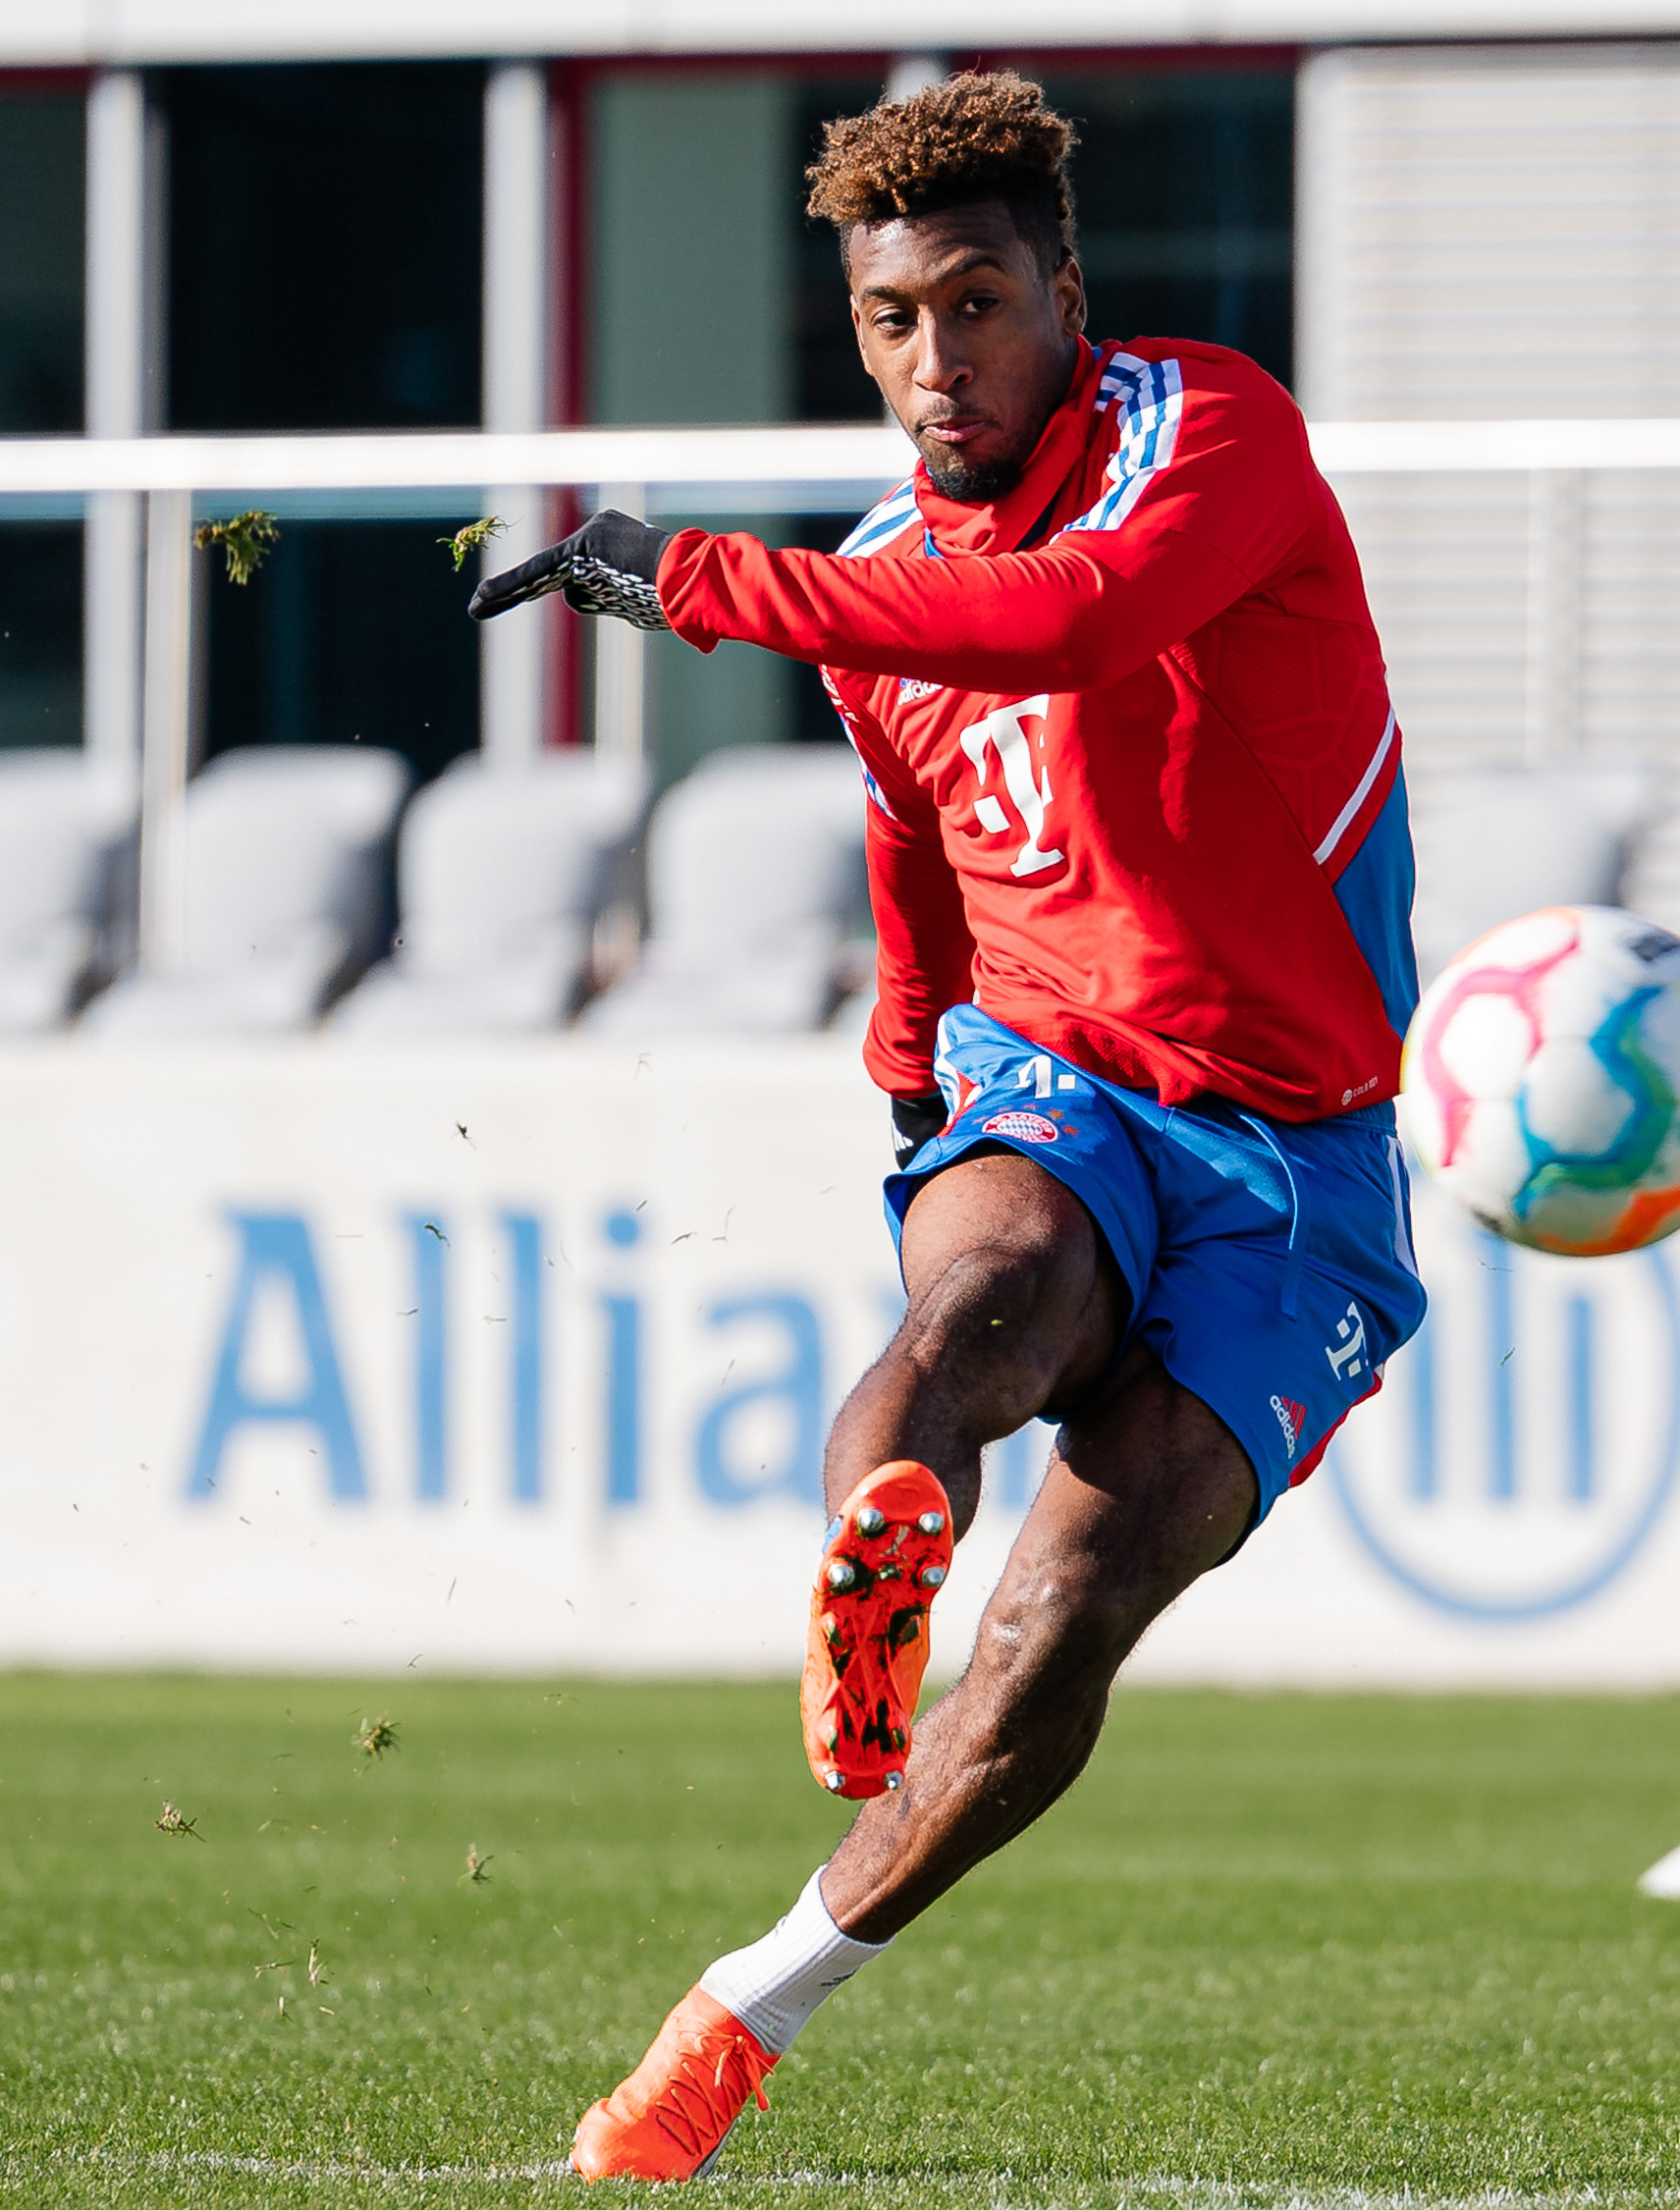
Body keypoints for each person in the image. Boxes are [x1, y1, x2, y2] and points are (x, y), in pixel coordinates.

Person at [471, 69, 1425, 2184]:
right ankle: (870, 1554)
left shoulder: (1212, 432)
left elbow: (1081, 622)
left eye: (976, 304)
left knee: (1077, 1593)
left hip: (1302, 1151)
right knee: (988, 1282)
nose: (934, 362)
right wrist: (915, 1088)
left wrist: (706, 580)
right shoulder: (887, 588)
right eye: (891, 319)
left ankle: (745, 2006)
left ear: (1064, 293)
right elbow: (916, 861)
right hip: (1057, 1076)